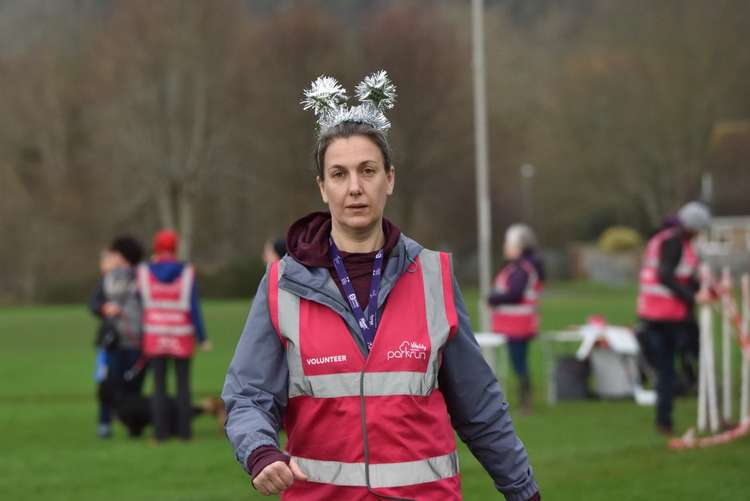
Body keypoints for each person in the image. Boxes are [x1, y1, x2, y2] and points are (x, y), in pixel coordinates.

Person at [223, 72, 539, 500]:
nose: (354, 187)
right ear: (322, 187)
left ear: (389, 179)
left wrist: (524, 492)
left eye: (367, 170)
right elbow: (247, 396)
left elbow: (481, 409)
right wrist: (259, 450)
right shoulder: (282, 284)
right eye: (339, 174)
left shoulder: (434, 276)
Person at [636, 201, 714, 435]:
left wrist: (707, 290)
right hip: (665, 318)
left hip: (664, 315)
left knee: (679, 364)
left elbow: (685, 276)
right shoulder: (673, 242)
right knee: (669, 369)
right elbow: (666, 276)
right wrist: (693, 297)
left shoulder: (673, 241)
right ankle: (665, 420)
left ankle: (676, 414)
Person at [138, 229, 210, 442]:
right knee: (183, 386)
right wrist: (202, 337)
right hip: (182, 335)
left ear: (156, 248)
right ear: (175, 248)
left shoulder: (144, 272)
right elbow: (194, 307)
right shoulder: (187, 272)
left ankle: (159, 434)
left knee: (159, 386)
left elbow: (140, 301)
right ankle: (185, 433)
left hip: (154, 335)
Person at [89, 236, 146, 438]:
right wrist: (105, 308)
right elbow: (93, 303)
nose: (110, 257)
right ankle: (104, 424)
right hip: (112, 343)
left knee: (134, 387)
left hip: (138, 342)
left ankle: (134, 426)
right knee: (108, 385)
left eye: (114, 253)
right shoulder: (107, 279)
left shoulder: (143, 278)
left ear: (123, 256)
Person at [488, 224, 545, 413]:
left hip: (518, 326)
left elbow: (515, 294)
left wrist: (492, 298)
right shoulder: (517, 268)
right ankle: (524, 399)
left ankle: (525, 400)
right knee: (518, 363)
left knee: (519, 363)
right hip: (515, 326)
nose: (505, 247)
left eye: (508, 244)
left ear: (518, 247)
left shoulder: (521, 270)